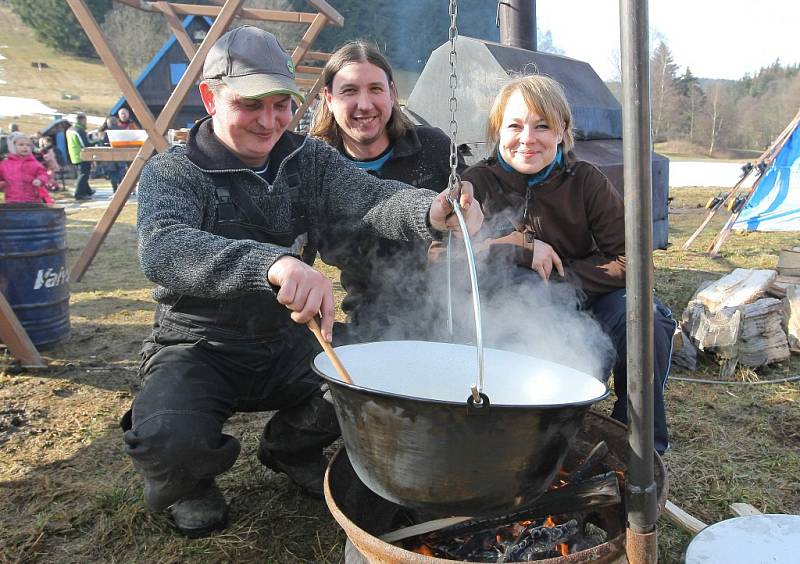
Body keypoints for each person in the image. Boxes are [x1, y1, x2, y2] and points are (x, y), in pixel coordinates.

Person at [122, 25, 481, 539]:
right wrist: (272, 264)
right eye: (251, 104)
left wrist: (431, 209)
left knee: (377, 382)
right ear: (210, 97)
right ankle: (191, 482)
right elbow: (163, 250)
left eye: (281, 104)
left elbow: (369, 197)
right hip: (198, 344)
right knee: (168, 437)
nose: (269, 121)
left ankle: (288, 447)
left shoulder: (307, 159)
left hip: (292, 339)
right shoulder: (172, 172)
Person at [462, 75, 675, 454]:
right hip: (505, 315)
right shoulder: (478, 182)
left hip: (587, 300)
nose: (527, 138)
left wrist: (563, 281)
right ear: (498, 130)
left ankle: (639, 447)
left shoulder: (585, 181)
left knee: (645, 318)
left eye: (542, 125)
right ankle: (513, 439)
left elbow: (631, 262)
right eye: (514, 125)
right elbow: (445, 258)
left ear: (562, 131)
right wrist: (520, 246)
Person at [310, 40, 466, 344]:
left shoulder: (431, 148)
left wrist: (519, 241)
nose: (365, 104)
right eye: (350, 91)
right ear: (328, 98)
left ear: (393, 93)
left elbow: (481, 206)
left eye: (376, 89)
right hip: (369, 320)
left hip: (450, 311)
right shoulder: (317, 166)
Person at [0, 132, 54, 204]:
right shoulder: (5, 164)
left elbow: (44, 174)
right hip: (12, 200)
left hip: (32, 200)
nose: (25, 147)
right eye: (21, 145)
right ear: (12, 147)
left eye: (28, 145)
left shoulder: (34, 163)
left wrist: (40, 180)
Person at [66, 113, 95, 200]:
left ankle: (88, 190)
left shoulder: (70, 129)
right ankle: (79, 194)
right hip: (82, 155)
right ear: (82, 120)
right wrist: (95, 141)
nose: (86, 122)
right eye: (85, 120)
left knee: (82, 173)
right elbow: (85, 144)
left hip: (74, 154)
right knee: (83, 175)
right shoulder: (79, 130)